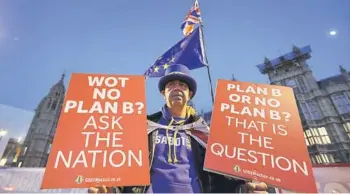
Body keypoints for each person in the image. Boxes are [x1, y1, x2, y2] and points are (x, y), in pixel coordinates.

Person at [88, 64, 268, 193]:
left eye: (182, 85)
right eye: (170, 85)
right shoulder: (142, 127)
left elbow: (223, 177)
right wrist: (110, 189)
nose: (176, 88)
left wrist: (244, 189)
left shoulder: (205, 132)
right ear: (163, 93)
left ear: (190, 94)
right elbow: (124, 165)